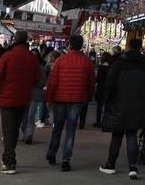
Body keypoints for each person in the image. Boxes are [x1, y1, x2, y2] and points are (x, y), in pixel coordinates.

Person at [0, 30, 43, 175]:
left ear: (15, 40)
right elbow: (38, 79)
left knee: (8, 130)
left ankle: (9, 161)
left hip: (7, 99)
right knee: (14, 129)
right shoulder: (32, 58)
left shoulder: (7, 56)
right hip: (23, 99)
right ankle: (9, 156)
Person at [99, 37, 145, 180]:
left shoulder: (119, 63)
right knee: (131, 134)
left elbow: (110, 84)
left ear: (128, 46)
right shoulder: (143, 65)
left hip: (119, 103)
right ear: (140, 48)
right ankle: (133, 167)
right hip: (137, 105)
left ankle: (111, 164)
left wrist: (107, 101)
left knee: (117, 134)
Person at [44, 34, 95, 172]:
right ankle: (66, 160)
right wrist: (88, 96)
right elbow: (91, 82)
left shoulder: (61, 61)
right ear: (81, 45)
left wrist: (49, 99)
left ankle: (52, 153)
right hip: (77, 100)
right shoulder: (87, 62)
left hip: (60, 99)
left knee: (57, 128)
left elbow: (52, 82)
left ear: (70, 45)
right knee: (70, 131)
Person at [21, 46, 51, 143]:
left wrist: (33, 82)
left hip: (34, 94)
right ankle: (25, 132)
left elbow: (42, 82)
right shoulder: (25, 66)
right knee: (23, 116)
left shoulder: (40, 68)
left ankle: (29, 135)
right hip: (24, 94)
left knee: (31, 115)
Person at [92, 52, 111, 127]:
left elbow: (97, 79)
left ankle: (98, 121)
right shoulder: (111, 68)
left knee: (99, 106)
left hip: (101, 88)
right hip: (108, 88)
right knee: (106, 106)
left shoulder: (101, 68)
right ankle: (105, 121)